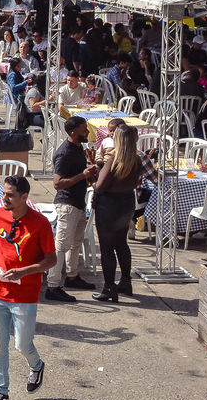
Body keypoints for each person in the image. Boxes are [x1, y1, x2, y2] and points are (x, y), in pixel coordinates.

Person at [0, 175, 56, 400]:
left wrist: (24, 271)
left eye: (11, 195)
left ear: (24, 197)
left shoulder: (40, 223)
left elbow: (51, 259)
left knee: (22, 344)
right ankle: (1, 392)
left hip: (25, 294)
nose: (5, 198)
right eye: (4, 193)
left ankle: (37, 365)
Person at [92, 124, 154, 302]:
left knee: (107, 248)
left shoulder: (113, 161)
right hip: (127, 204)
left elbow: (100, 188)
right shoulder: (137, 159)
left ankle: (109, 287)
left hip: (109, 207)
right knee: (122, 244)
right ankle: (126, 281)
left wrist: (91, 177)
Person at [45, 117, 100, 303]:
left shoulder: (78, 148)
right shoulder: (65, 153)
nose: (87, 132)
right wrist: (82, 175)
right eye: (84, 129)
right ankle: (52, 286)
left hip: (78, 203)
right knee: (60, 246)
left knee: (76, 243)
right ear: (73, 132)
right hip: (66, 204)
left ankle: (72, 276)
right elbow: (57, 183)